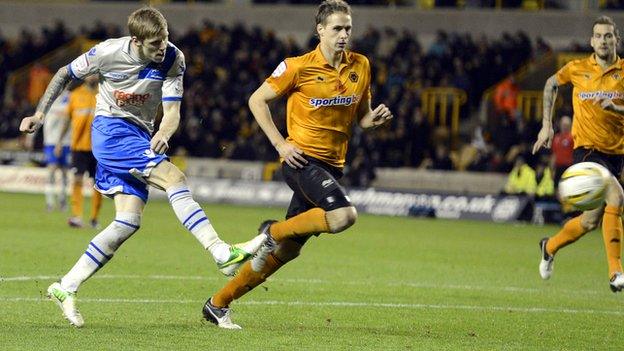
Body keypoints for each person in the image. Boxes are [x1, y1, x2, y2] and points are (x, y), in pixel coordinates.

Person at [18, 7, 265, 327]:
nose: (162, 47)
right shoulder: (107, 52)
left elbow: (173, 110)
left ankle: (66, 286)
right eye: (154, 43)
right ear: (135, 41)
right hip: (110, 133)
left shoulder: (173, 58)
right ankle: (220, 251)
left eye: (164, 39)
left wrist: (164, 131)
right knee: (174, 177)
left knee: (127, 221)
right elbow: (64, 73)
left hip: (140, 136)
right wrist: (40, 114)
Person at [202, 0, 393, 329]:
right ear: (320, 31)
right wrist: (280, 143)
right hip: (301, 160)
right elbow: (256, 99)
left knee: (287, 252)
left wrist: (373, 120)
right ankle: (271, 230)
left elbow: (361, 118)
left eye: (348, 27)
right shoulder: (297, 66)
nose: (344, 34)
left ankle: (218, 304)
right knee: (343, 216)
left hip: (332, 166)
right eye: (337, 28)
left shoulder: (360, 65)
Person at [533, 15, 624, 292]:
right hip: (586, 151)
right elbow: (551, 84)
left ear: (616, 40)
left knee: (589, 221)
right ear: (591, 41)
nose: (603, 40)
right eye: (598, 36)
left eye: (608, 36)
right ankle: (615, 273)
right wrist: (547, 125)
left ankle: (549, 246)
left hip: (615, 153)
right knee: (616, 195)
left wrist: (616, 108)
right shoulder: (577, 68)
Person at [56, 75, 102, 228]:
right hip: (78, 146)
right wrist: (59, 141)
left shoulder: (104, 93)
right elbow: (67, 120)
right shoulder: (75, 95)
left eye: (94, 72)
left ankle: (94, 218)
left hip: (99, 147)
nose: (91, 76)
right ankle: (76, 216)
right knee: (76, 179)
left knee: (98, 184)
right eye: (89, 72)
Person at [40, 90, 71, 212]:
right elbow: (39, 115)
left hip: (67, 141)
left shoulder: (70, 97)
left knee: (64, 172)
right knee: (51, 170)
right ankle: (49, 202)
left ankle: (62, 200)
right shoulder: (47, 97)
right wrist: (30, 137)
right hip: (51, 141)